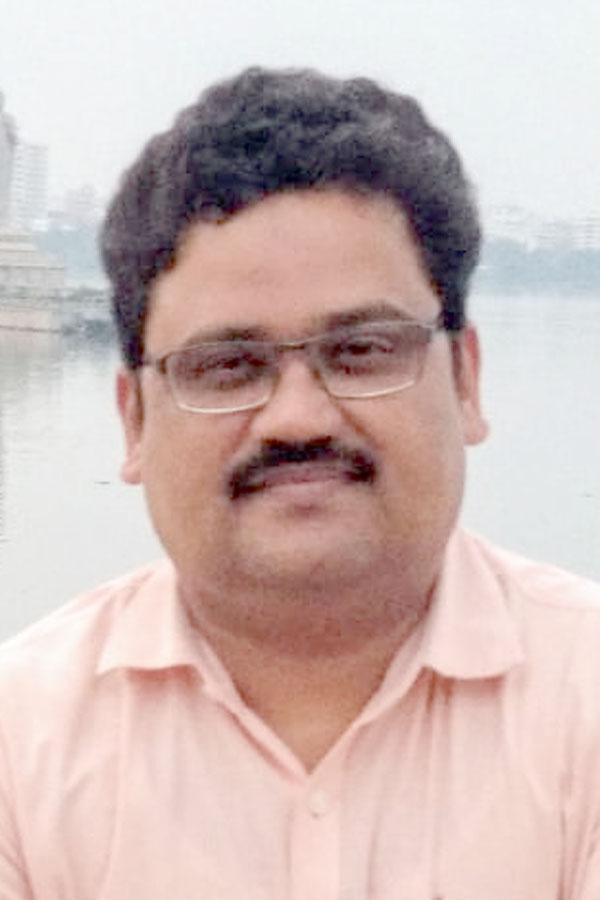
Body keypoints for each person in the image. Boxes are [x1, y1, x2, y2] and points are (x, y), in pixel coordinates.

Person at [1, 67, 599, 900]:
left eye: (361, 351)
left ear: (466, 379)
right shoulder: (19, 747)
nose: (296, 418)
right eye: (227, 365)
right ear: (133, 419)